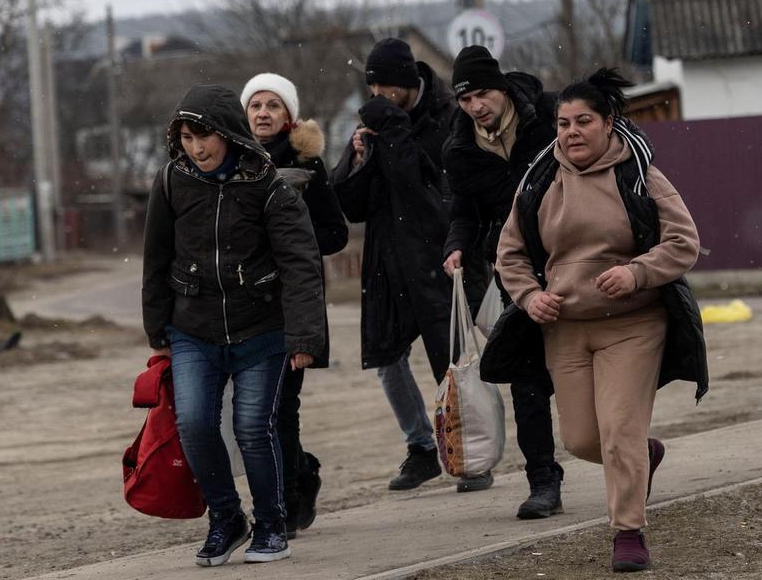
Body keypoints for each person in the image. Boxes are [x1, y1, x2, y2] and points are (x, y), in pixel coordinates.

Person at [494, 68, 707, 573]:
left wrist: (637, 273)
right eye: (563, 122)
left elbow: (684, 242)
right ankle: (642, 454)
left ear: (608, 122)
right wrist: (529, 297)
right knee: (583, 441)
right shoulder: (539, 179)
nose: (571, 132)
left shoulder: (639, 174)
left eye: (583, 121)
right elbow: (510, 254)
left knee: (616, 432)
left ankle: (628, 532)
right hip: (564, 328)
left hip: (633, 324)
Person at [142, 84, 327, 567]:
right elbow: (156, 259)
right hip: (192, 329)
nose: (196, 148)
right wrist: (157, 331)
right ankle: (227, 519)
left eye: (204, 136)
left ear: (227, 134)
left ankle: (271, 524)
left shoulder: (268, 184)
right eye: (186, 137)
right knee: (196, 425)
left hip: (260, 328)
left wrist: (305, 337)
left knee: (252, 427)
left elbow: (300, 261)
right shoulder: (171, 182)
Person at [331, 37, 464, 492]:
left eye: (388, 87)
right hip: (386, 257)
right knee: (387, 356)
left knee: (450, 360)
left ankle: (470, 453)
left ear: (408, 83)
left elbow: (427, 194)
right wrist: (357, 158)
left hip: (436, 255)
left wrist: (394, 132)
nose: (381, 96)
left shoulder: (445, 115)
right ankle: (421, 448)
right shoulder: (375, 124)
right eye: (374, 89)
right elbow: (350, 204)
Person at [440, 45, 566, 512]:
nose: (477, 106)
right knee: (527, 380)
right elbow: (465, 211)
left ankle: (627, 455)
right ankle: (543, 482)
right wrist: (456, 244)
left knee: (588, 375)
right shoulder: (460, 149)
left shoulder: (550, 117)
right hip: (515, 271)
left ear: (503, 88)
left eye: (483, 94)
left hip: (573, 261)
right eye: (466, 99)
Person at [240, 72, 348, 539]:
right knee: (251, 411)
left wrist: (290, 241)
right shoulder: (233, 162)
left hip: (293, 302)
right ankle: (300, 472)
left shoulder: (308, 164)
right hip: (243, 305)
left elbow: (335, 233)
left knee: (281, 408)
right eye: (256, 106)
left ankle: (284, 501)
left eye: (273, 106)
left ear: (289, 116)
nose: (263, 113)